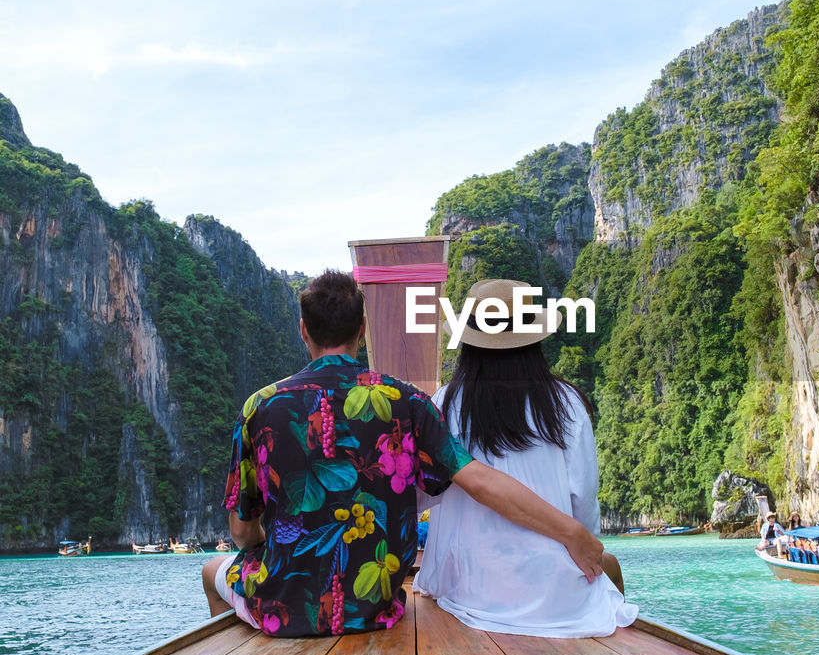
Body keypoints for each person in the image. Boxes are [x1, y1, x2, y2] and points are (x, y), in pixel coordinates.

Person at [202, 271, 605, 636]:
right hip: (375, 609)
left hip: (282, 607)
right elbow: (476, 480)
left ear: (303, 330)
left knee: (210, 571)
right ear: (363, 328)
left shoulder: (259, 407)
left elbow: (241, 533)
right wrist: (573, 533)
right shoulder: (408, 400)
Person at [413, 278, 638, 636]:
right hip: (552, 594)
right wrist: (583, 544)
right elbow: (583, 500)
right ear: (532, 338)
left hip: (469, 588)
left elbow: (424, 493)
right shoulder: (566, 404)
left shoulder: (445, 403)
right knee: (609, 569)